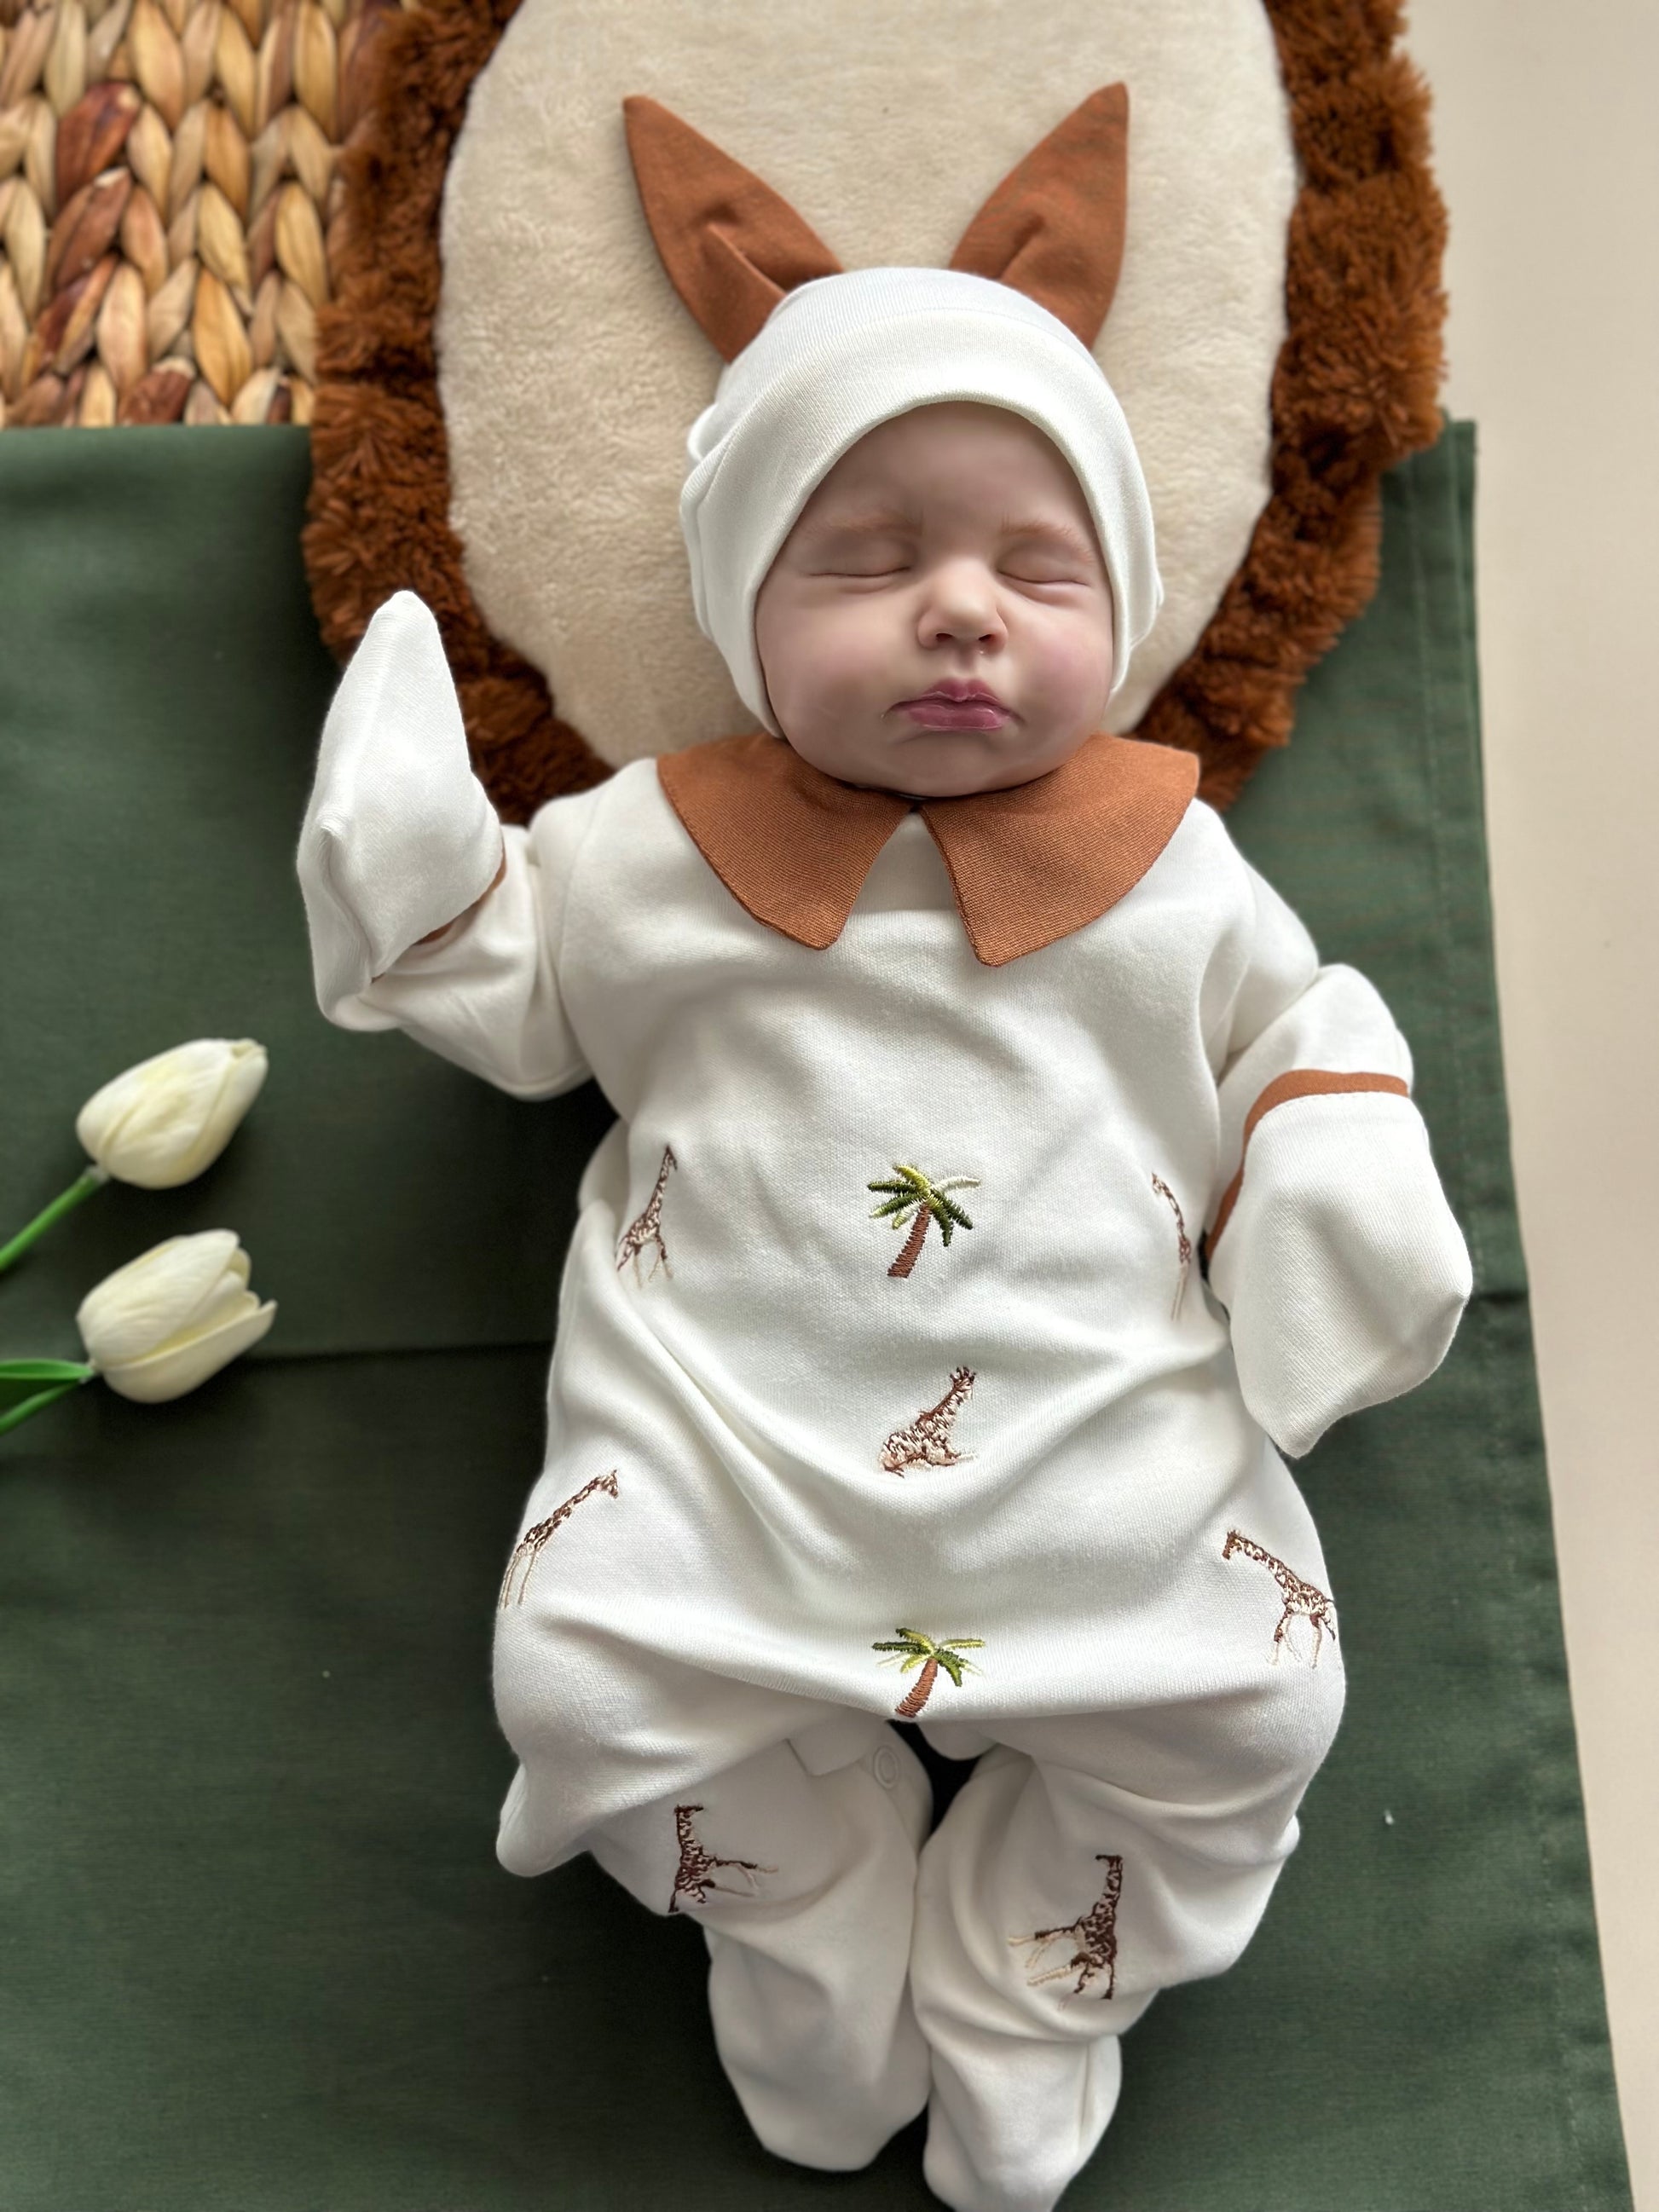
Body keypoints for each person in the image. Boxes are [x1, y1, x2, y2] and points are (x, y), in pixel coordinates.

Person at [294, 103, 1471, 2212]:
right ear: (743, 608)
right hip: (720, 1469)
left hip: (1103, 1470)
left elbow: (1302, 1027)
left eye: (1036, 567)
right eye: (863, 557)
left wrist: (1332, 1154)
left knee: (1253, 1704)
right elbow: (505, 977)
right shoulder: (652, 847)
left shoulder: (1175, 867)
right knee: (578, 1677)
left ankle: (1034, 1971)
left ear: (1117, 604)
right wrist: (413, 843)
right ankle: (804, 1901)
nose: (957, 612)